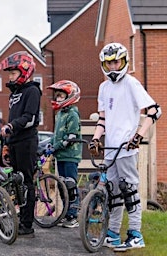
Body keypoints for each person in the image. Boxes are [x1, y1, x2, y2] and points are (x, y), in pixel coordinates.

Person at [90, 42, 161, 252]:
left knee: (129, 190)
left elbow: (154, 111)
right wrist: (96, 139)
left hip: (126, 147)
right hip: (110, 148)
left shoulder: (131, 83)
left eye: (117, 62)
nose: (113, 66)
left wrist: (138, 136)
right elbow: (102, 119)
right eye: (109, 63)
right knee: (113, 192)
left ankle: (135, 234)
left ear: (124, 61)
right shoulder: (103, 88)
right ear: (104, 64)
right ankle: (112, 233)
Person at [0, 51, 41, 238]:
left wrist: (11, 126)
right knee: (17, 182)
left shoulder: (32, 91)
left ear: (24, 71)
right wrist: (6, 141)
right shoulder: (14, 94)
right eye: (9, 73)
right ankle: (19, 217)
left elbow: (29, 118)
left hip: (26, 142)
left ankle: (27, 224)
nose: (10, 77)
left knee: (26, 182)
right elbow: (12, 118)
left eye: (13, 73)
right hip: (14, 142)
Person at [45, 80, 82, 228]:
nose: (57, 98)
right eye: (57, 95)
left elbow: (71, 137)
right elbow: (56, 135)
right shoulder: (60, 114)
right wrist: (50, 144)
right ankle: (66, 213)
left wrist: (56, 147)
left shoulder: (72, 114)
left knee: (70, 184)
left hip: (70, 155)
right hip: (60, 156)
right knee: (62, 185)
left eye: (60, 96)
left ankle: (73, 216)